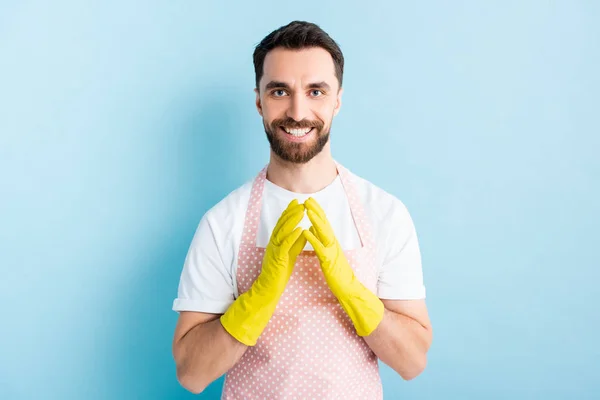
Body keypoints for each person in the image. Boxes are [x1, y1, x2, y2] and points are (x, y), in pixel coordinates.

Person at [171, 20, 432, 399]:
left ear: (337, 100)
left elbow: (412, 363)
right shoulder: (223, 222)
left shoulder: (385, 214)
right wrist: (259, 297)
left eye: (315, 91)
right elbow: (191, 374)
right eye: (280, 91)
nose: (297, 111)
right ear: (259, 100)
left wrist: (353, 292)